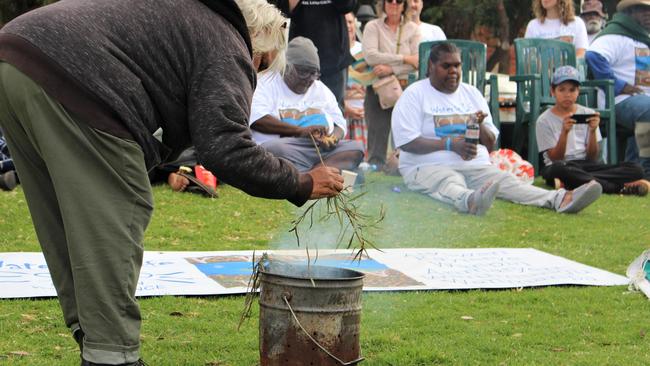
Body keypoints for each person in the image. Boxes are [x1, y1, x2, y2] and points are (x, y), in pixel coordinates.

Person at [0, 1, 344, 365]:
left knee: (63, 220)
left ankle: (93, 337)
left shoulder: (188, 16)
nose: (252, 76)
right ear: (260, 41)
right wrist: (301, 182)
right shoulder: (229, 44)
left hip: (14, 55)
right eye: (260, 65)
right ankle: (113, 356)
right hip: (77, 79)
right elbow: (225, 147)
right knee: (120, 208)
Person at [392, 42, 602, 216]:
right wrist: (449, 144)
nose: (454, 71)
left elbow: (490, 143)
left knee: (505, 181)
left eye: (457, 66)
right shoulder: (414, 95)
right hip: (427, 167)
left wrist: (479, 125)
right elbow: (407, 142)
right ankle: (470, 200)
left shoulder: (471, 93)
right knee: (450, 181)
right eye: (446, 66)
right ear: (431, 66)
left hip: (475, 166)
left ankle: (560, 199)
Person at [250, 37, 365, 173]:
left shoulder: (320, 89)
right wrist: (300, 131)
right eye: (304, 72)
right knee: (274, 149)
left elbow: (339, 124)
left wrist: (332, 138)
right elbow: (258, 120)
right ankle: (317, 174)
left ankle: (311, 175)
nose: (310, 80)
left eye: (314, 73)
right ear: (286, 67)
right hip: (286, 148)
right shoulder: (266, 83)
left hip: (319, 149)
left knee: (355, 148)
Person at [536, 66, 648, 195]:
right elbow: (556, 158)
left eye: (572, 90)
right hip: (560, 166)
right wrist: (564, 132)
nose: (567, 94)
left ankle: (572, 182)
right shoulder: (543, 120)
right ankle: (617, 188)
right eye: (561, 90)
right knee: (561, 169)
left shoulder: (588, 113)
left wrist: (592, 132)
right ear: (553, 91)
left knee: (636, 169)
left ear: (578, 92)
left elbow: (592, 157)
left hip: (585, 165)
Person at [585, 0, 650, 179]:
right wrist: (619, 85)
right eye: (642, 10)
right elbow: (593, 56)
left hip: (641, 101)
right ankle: (645, 172)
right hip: (617, 101)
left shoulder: (644, 38)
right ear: (630, 12)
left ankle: (633, 170)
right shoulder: (615, 35)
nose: (648, 14)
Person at [362, 0, 420, 169]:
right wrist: (404, 59)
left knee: (406, 135)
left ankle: (404, 169)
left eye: (399, 0)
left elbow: (417, 61)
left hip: (406, 88)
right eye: (390, 0)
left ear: (404, 5)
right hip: (378, 88)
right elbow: (371, 56)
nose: (394, 3)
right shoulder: (373, 26)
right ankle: (375, 170)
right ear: (383, 4)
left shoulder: (414, 29)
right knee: (376, 139)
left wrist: (390, 68)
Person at [274, 0, 357, 106]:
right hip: (298, 61)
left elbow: (347, 5)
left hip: (334, 61)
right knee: (295, 111)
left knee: (333, 112)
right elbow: (282, 10)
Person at [345, 12, 368, 158]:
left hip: (363, 110)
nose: (348, 26)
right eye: (345, 22)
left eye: (350, 22)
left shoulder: (364, 51)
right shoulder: (334, 53)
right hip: (343, 111)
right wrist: (346, 106)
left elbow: (370, 83)